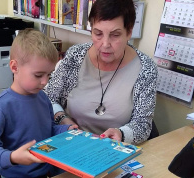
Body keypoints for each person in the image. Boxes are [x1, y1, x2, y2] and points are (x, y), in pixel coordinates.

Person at [0, 28, 77, 178]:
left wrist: (66, 130)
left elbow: (47, 130)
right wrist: (12, 157)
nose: (44, 82)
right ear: (15, 67)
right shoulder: (1, 107)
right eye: (38, 75)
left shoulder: (43, 98)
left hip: (44, 172)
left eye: (49, 75)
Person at [44, 0, 158, 145]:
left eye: (115, 35)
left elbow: (143, 124)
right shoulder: (75, 56)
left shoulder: (145, 69)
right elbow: (48, 99)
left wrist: (121, 134)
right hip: (71, 143)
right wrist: (63, 120)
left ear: (129, 32)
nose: (105, 44)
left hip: (114, 150)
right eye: (98, 34)